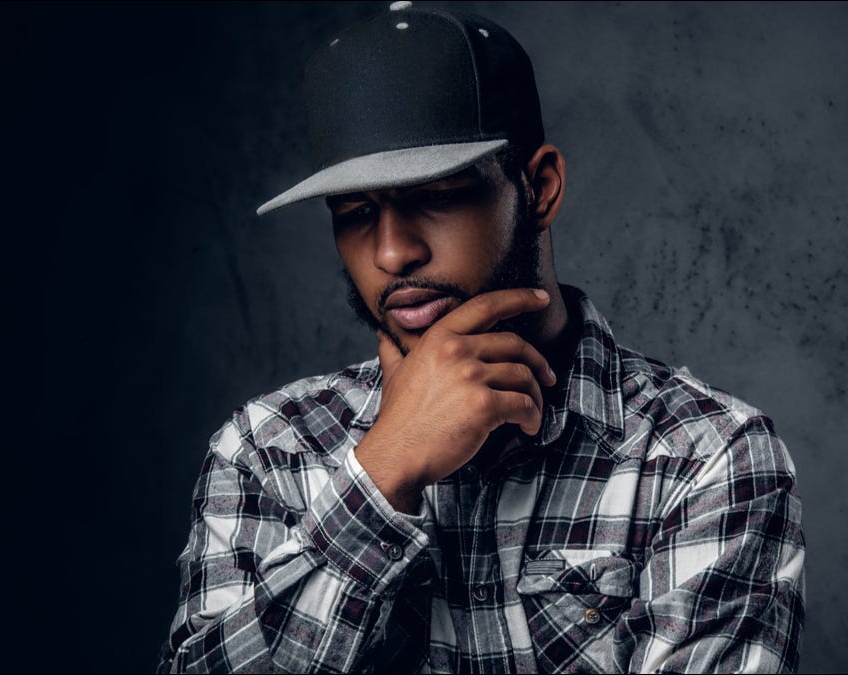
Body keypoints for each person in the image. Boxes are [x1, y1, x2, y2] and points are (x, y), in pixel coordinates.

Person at [158, 3, 805, 673]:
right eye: (355, 214)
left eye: (435, 196)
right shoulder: (268, 449)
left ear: (540, 189)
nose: (391, 252)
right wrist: (382, 475)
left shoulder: (704, 458)